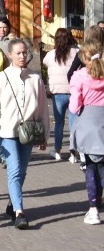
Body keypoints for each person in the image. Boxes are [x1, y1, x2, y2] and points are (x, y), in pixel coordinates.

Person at [0, 39, 50, 230]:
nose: (22, 56)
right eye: (18, 53)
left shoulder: (36, 78)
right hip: (7, 131)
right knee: (14, 168)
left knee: (22, 171)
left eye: (24, 52)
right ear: (9, 55)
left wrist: (45, 135)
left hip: (28, 132)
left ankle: (12, 204)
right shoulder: (1, 78)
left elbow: (43, 108)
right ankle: (19, 212)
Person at [69, 41, 104, 225]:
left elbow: (74, 106)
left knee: (90, 168)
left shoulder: (79, 76)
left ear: (84, 57)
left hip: (88, 125)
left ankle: (93, 209)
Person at [43, 28, 79, 160]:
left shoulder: (51, 54)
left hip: (57, 93)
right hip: (73, 92)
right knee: (73, 123)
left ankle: (57, 150)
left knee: (58, 123)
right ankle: (73, 153)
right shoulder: (76, 53)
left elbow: (45, 64)